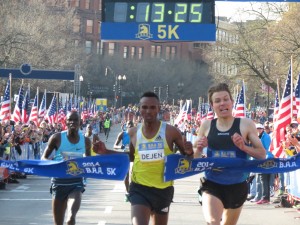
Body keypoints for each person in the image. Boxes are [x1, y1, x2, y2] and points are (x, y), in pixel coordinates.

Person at [195, 83, 266, 225]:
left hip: (237, 185)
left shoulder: (245, 124)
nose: (222, 103)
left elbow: (261, 154)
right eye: (217, 101)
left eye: (225, 99)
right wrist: (198, 149)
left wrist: (244, 147)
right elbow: (195, 158)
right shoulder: (206, 125)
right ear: (212, 105)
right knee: (213, 222)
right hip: (212, 183)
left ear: (232, 102)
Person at [126, 91, 193, 225]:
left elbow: (187, 160)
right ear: (139, 109)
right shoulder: (133, 132)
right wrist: (106, 152)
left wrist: (189, 152)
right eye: (144, 107)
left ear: (159, 109)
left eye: (152, 107)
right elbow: (131, 157)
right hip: (139, 188)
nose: (148, 111)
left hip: (163, 190)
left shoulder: (171, 131)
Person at [41, 111, 91, 225]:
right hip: (59, 182)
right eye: (70, 120)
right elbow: (44, 157)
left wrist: (86, 177)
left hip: (76, 183)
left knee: (70, 218)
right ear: (66, 122)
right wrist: (54, 164)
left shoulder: (86, 141)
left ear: (80, 122)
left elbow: (89, 163)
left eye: (75, 120)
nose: (72, 122)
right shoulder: (56, 137)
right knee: (58, 223)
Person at [114, 120, 135, 201]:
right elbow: (115, 145)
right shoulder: (122, 134)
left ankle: (134, 191)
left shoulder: (137, 134)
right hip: (125, 157)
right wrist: (120, 147)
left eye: (131, 124)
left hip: (134, 157)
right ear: (126, 126)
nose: (129, 125)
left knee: (134, 175)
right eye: (128, 124)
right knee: (126, 176)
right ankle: (127, 193)